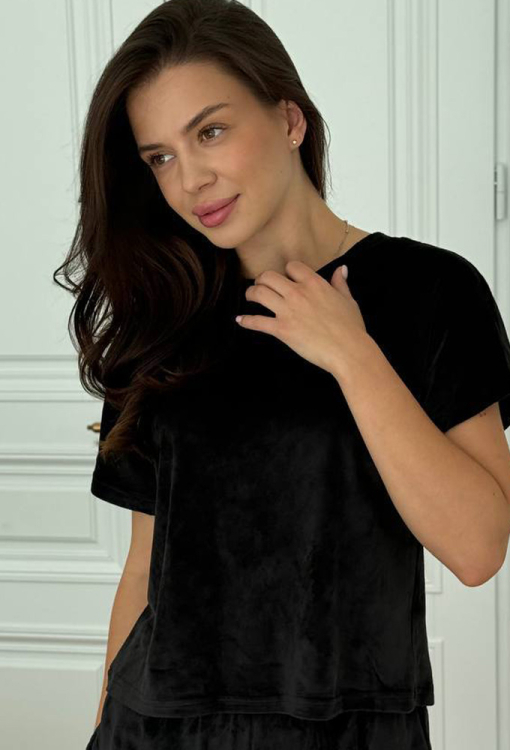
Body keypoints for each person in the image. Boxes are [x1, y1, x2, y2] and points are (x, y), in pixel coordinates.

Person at [52, 0, 510, 748]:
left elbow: (479, 549)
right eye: (160, 157)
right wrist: (103, 723)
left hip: (350, 726)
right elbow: (144, 568)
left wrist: (351, 354)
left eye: (211, 131)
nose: (191, 179)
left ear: (290, 119)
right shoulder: (163, 319)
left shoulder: (431, 291)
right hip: (160, 726)